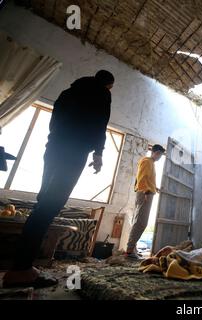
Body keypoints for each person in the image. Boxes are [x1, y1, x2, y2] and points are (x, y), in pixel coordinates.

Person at [2, 70, 114, 288]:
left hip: (53, 147)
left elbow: (55, 122)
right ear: (108, 85)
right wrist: (98, 154)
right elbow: (100, 123)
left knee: (43, 204)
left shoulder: (68, 92)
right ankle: (21, 270)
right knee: (49, 207)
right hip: (74, 152)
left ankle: (22, 266)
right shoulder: (102, 93)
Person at [125, 144, 165, 259]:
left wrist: (154, 188)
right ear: (156, 153)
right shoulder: (147, 161)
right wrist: (147, 192)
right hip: (144, 193)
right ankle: (129, 250)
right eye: (160, 155)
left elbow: (147, 179)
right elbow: (141, 177)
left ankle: (131, 248)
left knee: (140, 221)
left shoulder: (150, 163)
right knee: (141, 222)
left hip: (146, 192)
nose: (160, 158)